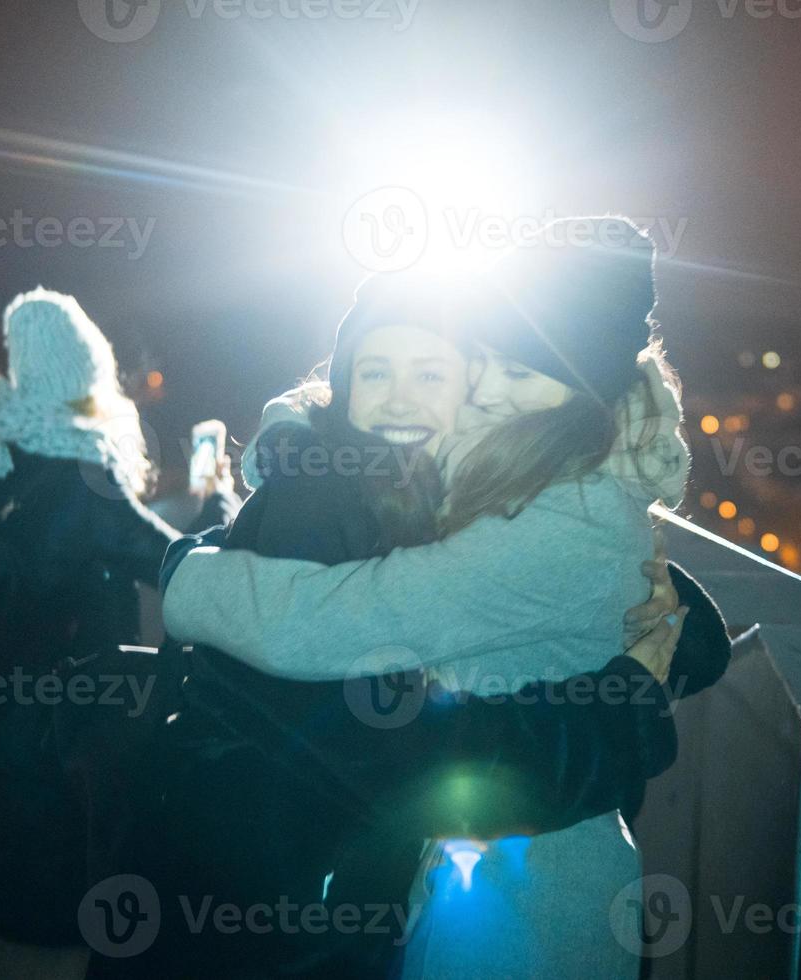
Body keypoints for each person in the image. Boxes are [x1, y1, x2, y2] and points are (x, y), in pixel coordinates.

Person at [96, 266, 726, 978]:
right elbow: (388, 752)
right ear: (345, 382)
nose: (483, 392)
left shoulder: (422, 489)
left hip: (341, 898)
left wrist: (680, 626)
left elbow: (511, 578)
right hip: (254, 914)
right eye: (376, 372)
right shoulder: (328, 501)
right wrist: (622, 719)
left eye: (436, 375)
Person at [0, 288, 234, 980]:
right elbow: (169, 563)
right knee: (76, 918)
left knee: (6, 914)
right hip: (78, 734)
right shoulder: (84, 473)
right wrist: (223, 508)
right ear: (89, 369)